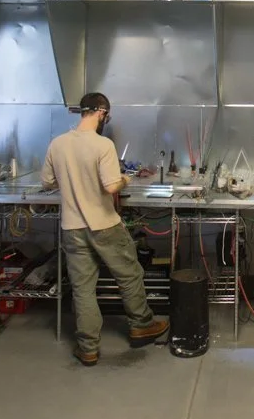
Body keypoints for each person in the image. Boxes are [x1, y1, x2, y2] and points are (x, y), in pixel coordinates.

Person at [41, 92, 168, 365]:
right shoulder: (103, 145)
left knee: (83, 288)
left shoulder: (58, 144)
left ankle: (88, 348)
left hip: (72, 227)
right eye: (105, 115)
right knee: (130, 274)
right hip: (104, 225)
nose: (105, 119)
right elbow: (110, 186)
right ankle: (141, 325)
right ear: (101, 112)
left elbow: (48, 182)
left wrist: (72, 181)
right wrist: (125, 179)